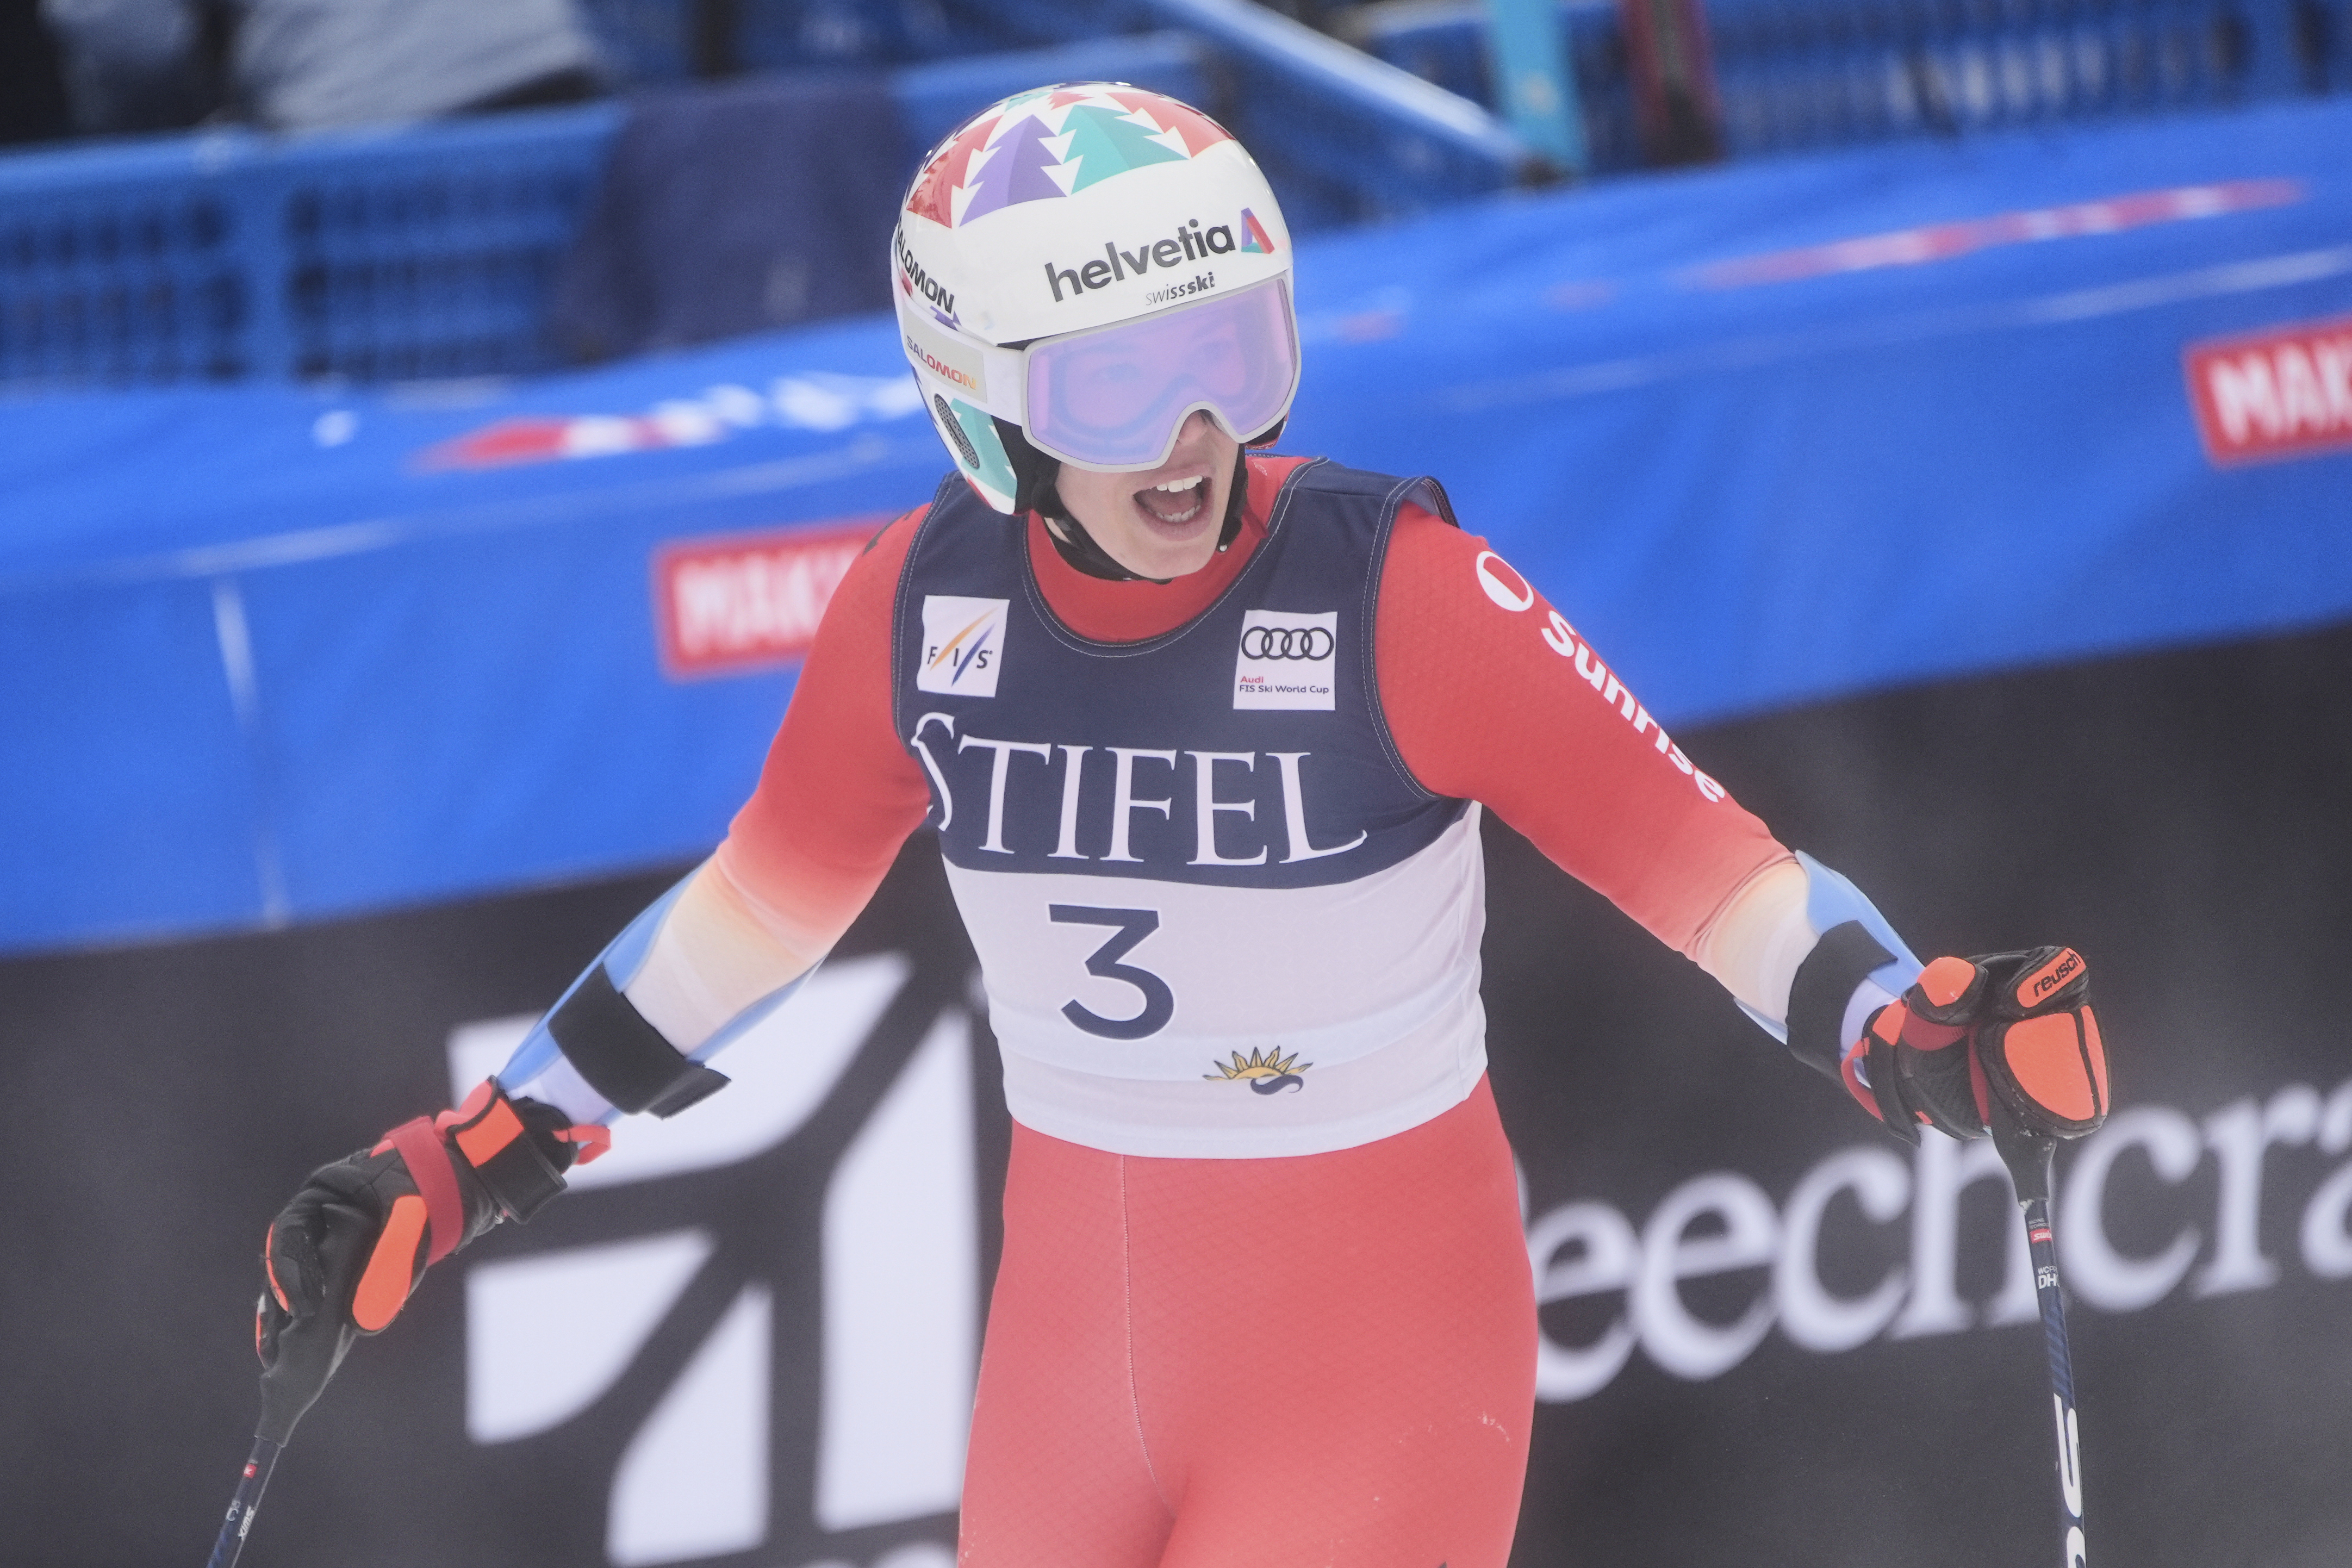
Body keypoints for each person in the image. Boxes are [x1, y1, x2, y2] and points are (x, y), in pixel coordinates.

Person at [256, 84, 2111, 1566]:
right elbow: (757, 911)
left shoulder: (1406, 595)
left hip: (1372, 1350)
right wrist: (477, 1152)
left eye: (1232, 345)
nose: (1196, 428)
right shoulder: (917, 607)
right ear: (983, 411)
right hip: (1074, 1351)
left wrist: (1904, 1029)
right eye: (1120, 381)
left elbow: (1721, 879)